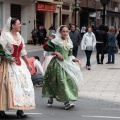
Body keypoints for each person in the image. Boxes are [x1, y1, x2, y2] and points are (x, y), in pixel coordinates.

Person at [0, 17, 35, 118]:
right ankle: (2, 109)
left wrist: (28, 62)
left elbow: (23, 51)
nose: (20, 25)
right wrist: (8, 58)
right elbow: (1, 51)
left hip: (20, 65)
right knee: (9, 86)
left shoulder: (19, 36)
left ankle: (20, 109)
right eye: (18, 24)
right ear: (13, 25)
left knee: (24, 85)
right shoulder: (5, 36)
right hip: (8, 64)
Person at [42, 25, 83, 110]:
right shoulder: (56, 41)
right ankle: (63, 102)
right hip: (57, 64)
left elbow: (70, 55)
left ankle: (63, 100)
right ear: (60, 32)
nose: (65, 33)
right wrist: (57, 53)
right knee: (59, 82)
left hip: (66, 64)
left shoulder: (69, 42)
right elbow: (46, 48)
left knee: (70, 81)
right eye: (63, 31)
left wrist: (77, 60)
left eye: (66, 31)